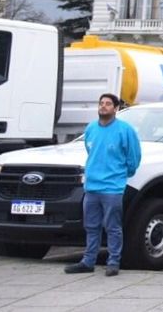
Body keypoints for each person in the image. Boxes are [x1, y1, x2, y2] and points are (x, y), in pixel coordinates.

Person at [64, 93, 142, 276]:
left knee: (113, 226)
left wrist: (121, 175)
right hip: (91, 187)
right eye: (101, 103)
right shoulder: (91, 128)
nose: (103, 106)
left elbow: (134, 158)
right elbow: (90, 150)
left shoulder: (125, 130)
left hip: (112, 188)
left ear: (116, 109)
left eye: (108, 104)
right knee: (91, 226)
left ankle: (113, 261)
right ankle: (88, 261)